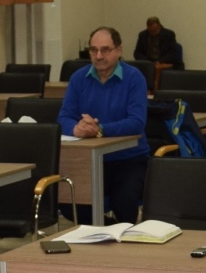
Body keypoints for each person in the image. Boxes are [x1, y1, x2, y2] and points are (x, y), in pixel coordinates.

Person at [59, 27, 150, 223]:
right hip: (89, 161)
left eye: (105, 50)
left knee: (123, 200)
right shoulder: (78, 78)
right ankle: (109, 230)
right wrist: (76, 129)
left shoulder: (134, 78)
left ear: (119, 50)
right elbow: (64, 117)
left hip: (129, 160)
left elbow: (136, 122)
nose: (99, 56)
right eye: (93, 50)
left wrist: (100, 130)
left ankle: (122, 233)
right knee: (67, 200)